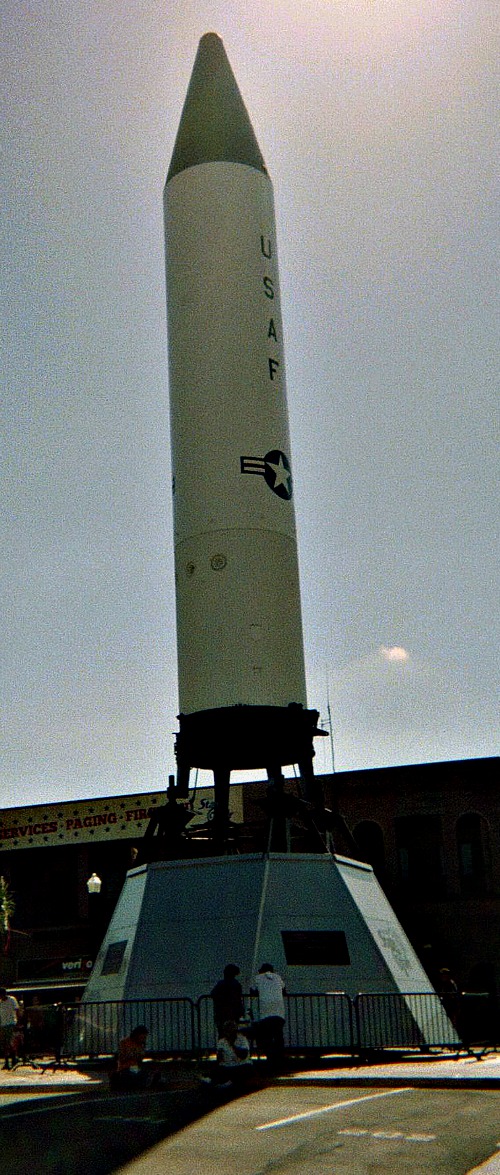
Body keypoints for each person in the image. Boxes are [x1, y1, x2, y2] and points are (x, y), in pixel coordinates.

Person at [251, 963, 286, 1068]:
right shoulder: (278, 977)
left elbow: (253, 991)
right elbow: (284, 990)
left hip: (265, 1013)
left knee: (267, 1038)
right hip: (279, 1012)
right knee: (279, 1037)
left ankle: (270, 1060)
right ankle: (280, 1060)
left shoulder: (258, 978)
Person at [111, 1025, 161, 1090]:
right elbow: (121, 1057)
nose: (143, 1039)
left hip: (135, 1066)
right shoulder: (124, 1042)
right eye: (142, 1037)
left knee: (145, 1070)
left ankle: (149, 1080)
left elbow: (140, 1059)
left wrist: (140, 1055)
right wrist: (132, 1055)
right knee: (139, 1073)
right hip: (125, 1067)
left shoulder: (141, 1044)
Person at [214, 1020, 253, 1088]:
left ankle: (232, 1082)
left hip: (241, 1064)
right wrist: (219, 1055)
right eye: (226, 1031)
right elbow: (219, 1060)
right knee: (218, 1071)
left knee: (246, 1070)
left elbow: (243, 1056)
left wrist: (232, 1045)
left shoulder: (242, 1039)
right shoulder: (221, 1042)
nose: (228, 1033)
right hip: (227, 1066)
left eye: (231, 1031)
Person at [210, 964, 245, 1036]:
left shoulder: (221, 984)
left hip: (222, 1013)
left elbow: (213, 994)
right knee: (233, 1033)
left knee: (222, 1034)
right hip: (234, 1014)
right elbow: (238, 999)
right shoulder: (236, 984)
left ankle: (223, 1046)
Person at [0, 988, 20, 1071]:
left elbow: (17, 1010)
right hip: (3, 1024)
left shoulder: (12, 1000)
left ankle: (14, 1058)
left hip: (11, 1023)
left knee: (10, 1042)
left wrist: (18, 1022)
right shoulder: (0, 1003)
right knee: (4, 1044)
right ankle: (7, 1062)